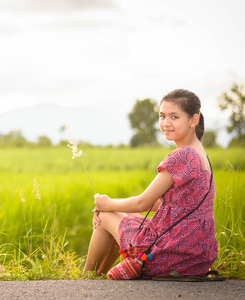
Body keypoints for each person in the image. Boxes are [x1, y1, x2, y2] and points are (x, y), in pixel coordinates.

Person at [83, 89, 218, 278]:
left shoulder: (183, 155)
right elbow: (163, 204)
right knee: (121, 214)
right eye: (162, 116)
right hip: (193, 256)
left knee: (105, 214)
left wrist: (106, 205)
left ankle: (86, 277)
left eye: (174, 116)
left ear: (193, 120)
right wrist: (113, 204)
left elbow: (143, 203)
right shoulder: (200, 155)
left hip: (168, 255)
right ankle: (100, 275)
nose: (166, 123)